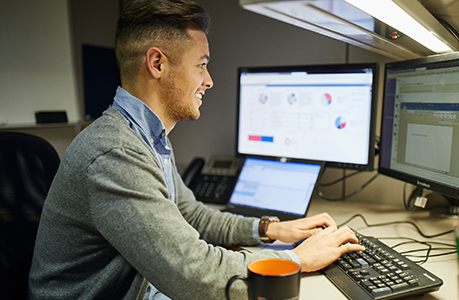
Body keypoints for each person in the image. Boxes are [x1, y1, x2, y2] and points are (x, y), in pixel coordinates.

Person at [27, 0, 365, 299]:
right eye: (201, 65)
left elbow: (189, 215)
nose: (209, 80)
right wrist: (296, 259)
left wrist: (269, 230)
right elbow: (194, 273)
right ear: (157, 64)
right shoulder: (115, 152)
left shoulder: (145, 136)